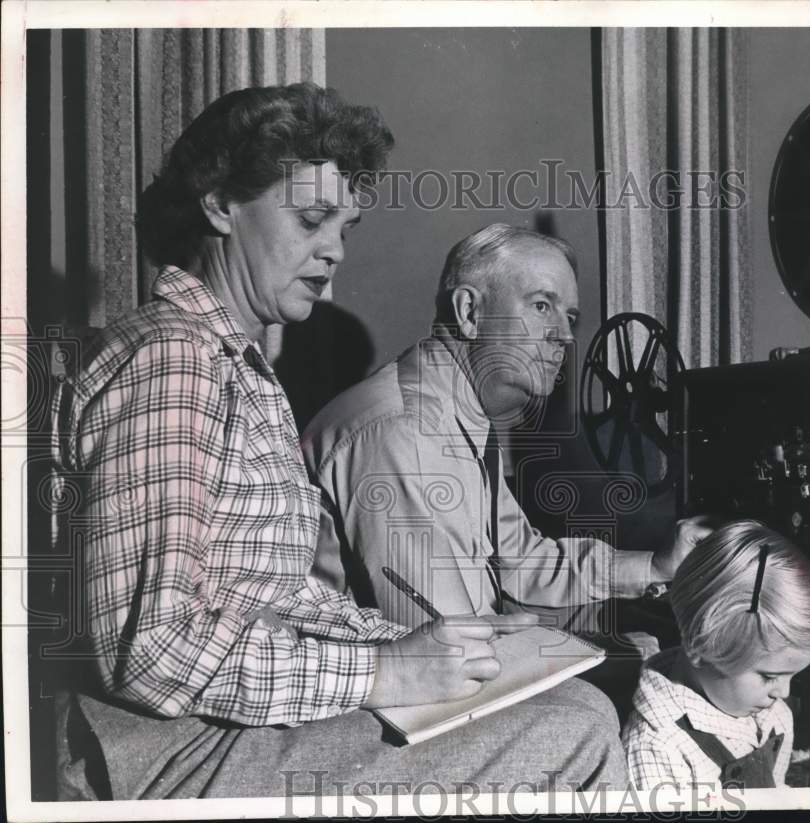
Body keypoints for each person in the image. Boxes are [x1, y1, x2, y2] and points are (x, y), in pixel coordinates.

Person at [50, 83, 626, 800]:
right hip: (165, 753)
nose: (332, 251)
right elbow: (152, 647)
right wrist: (384, 672)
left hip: (221, 727)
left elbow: (278, 596)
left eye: (344, 228)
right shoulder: (170, 356)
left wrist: (404, 645)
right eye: (312, 219)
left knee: (570, 707)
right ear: (221, 203)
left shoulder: (242, 372)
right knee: (576, 729)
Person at [302, 223, 711, 629]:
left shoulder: (461, 415)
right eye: (541, 306)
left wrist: (656, 567)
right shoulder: (406, 433)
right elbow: (446, 648)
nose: (566, 336)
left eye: (570, 316)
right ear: (470, 313)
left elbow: (523, 563)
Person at [621, 520, 810, 790]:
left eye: (792, 675)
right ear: (701, 648)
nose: (784, 692)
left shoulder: (773, 715)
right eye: (769, 676)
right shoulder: (657, 747)